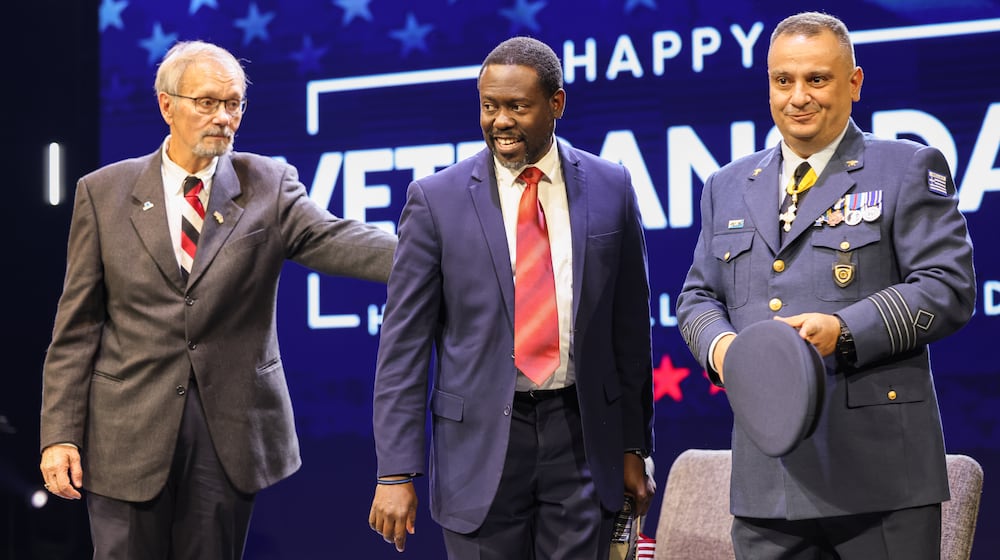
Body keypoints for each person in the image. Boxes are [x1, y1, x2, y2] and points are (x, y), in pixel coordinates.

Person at [38, 40, 396, 559]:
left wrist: (442, 255)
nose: (223, 117)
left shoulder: (267, 183)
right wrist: (59, 435)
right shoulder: (103, 192)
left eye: (233, 104)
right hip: (125, 431)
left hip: (225, 434)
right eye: (207, 102)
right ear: (167, 105)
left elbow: (338, 240)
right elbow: (76, 328)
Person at [676, 11, 976, 560]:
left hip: (879, 479)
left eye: (817, 79)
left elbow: (947, 287)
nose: (798, 97)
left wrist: (842, 328)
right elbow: (698, 297)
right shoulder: (727, 185)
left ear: (854, 83)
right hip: (768, 482)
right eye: (782, 80)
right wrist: (725, 350)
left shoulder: (906, 167)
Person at [368, 36, 655, 559]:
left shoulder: (612, 187)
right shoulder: (436, 200)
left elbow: (630, 333)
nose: (501, 121)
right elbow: (402, 349)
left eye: (518, 107)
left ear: (556, 104)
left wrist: (635, 447)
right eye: (489, 106)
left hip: (583, 438)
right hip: (478, 450)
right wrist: (394, 470)